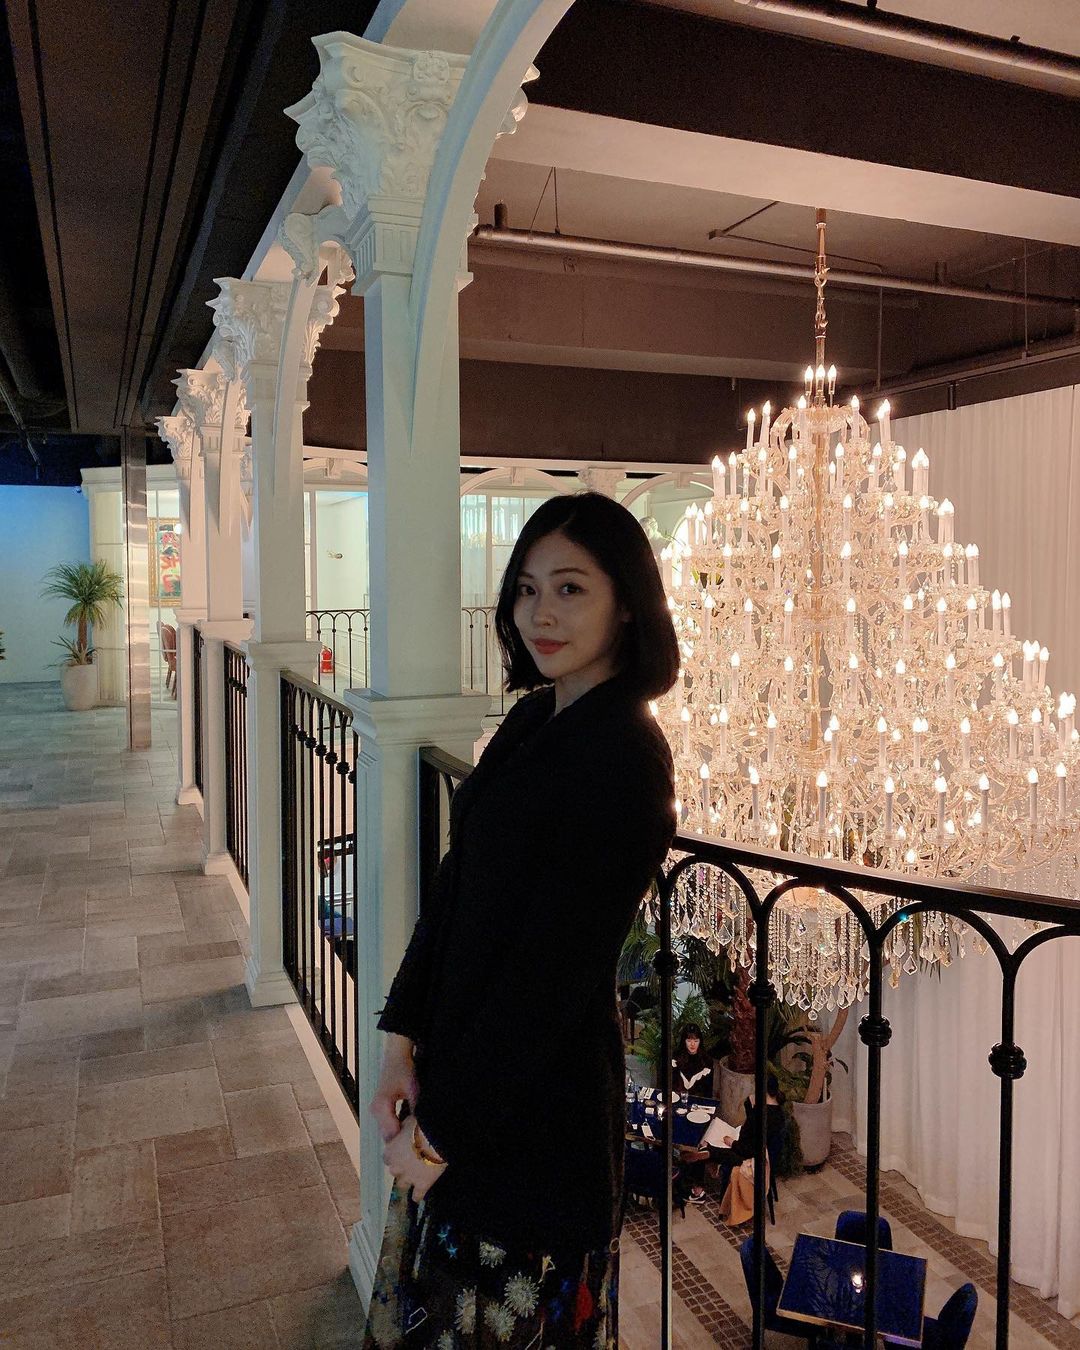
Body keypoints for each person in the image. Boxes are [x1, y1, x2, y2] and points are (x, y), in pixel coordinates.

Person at [364, 491, 680, 1348]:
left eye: (571, 589)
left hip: (537, 1131)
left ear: (628, 603)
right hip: (459, 1097)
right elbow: (455, 890)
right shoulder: (535, 716)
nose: (540, 613)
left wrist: (436, 1140)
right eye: (528, 589)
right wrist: (399, 1044)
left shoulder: (627, 761)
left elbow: (548, 985)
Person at [685, 1074, 787, 1208]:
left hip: (753, 1159)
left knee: (713, 1144)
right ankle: (709, 1151)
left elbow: (747, 1148)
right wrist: (750, 1106)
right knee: (718, 1141)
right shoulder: (778, 1111)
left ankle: (709, 1153)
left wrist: (731, 1142)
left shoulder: (761, 1116)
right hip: (765, 1154)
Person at [672, 1022, 713, 1098]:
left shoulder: (707, 1060)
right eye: (689, 1041)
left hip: (698, 1101)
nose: (692, 1044)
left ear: (700, 1041)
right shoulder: (675, 1057)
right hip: (677, 1099)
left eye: (696, 1041)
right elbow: (671, 1085)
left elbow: (708, 1091)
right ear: (684, 1041)